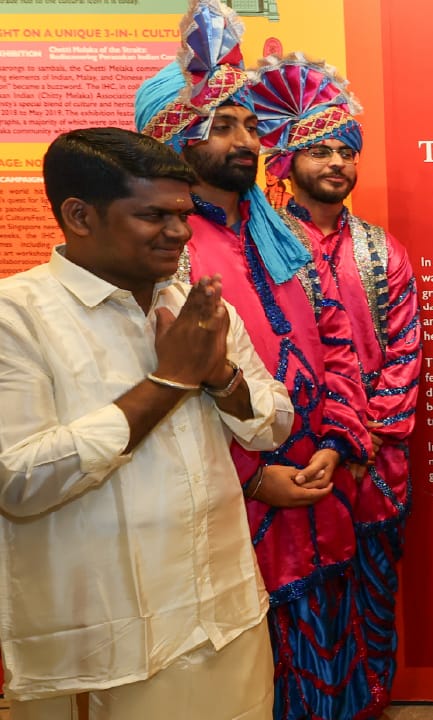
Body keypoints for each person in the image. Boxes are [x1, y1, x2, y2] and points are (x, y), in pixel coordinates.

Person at [134, 2, 377, 717]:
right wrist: (253, 477)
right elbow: (169, 392)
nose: (248, 141)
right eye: (223, 126)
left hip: (316, 489)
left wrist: (336, 441)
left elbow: (338, 347)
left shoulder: (284, 239)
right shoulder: (161, 255)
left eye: (249, 125)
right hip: (231, 509)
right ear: (172, 137)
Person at [0, 127, 292, 719]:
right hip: (103, 644)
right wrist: (168, 383)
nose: (181, 233)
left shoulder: (199, 307)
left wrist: (220, 378)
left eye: (183, 215)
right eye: (154, 215)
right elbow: (19, 482)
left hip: (225, 614)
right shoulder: (17, 317)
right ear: (80, 215)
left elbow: (272, 425)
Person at [248, 55, 422, 701]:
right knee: (297, 602)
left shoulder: (383, 249)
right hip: (289, 461)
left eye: (345, 151)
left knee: (372, 593)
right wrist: (318, 445)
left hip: (371, 464)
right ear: (285, 161)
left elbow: (405, 351)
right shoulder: (262, 246)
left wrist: (363, 440)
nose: (336, 164)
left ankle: (368, 702)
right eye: (318, 150)